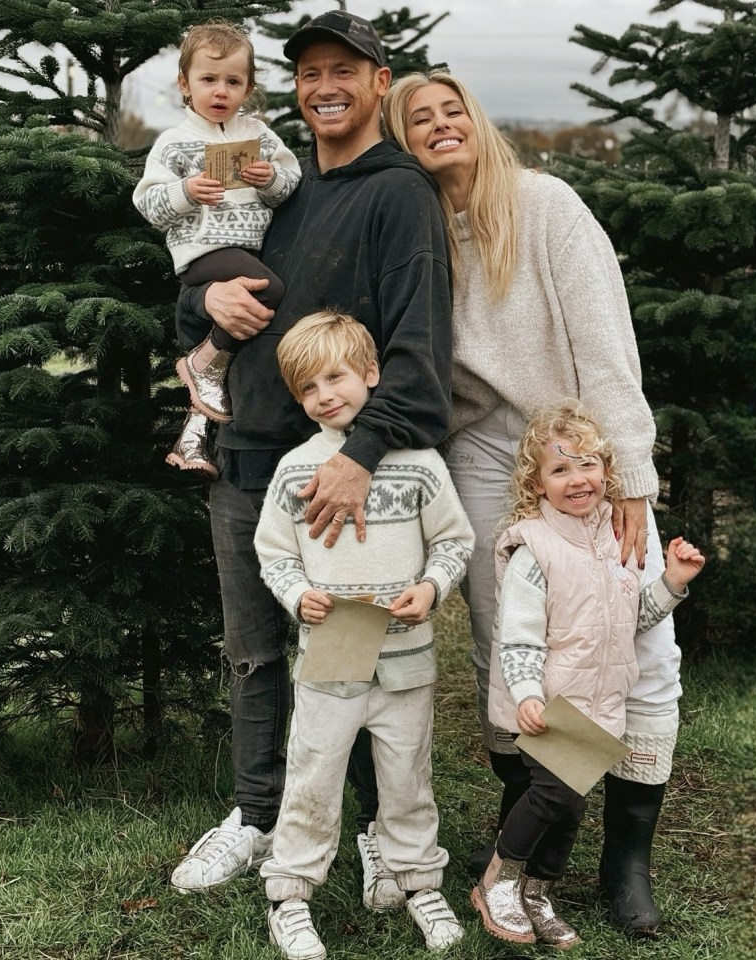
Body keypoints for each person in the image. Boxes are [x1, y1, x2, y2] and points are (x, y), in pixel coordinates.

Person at [167, 10, 454, 925]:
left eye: (343, 70)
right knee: (256, 653)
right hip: (247, 455)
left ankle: (375, 829)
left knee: (353, 654)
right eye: (306, 73)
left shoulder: (398, 193)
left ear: (380, 82)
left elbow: (418, 347)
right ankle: (256, 816)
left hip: (345, 475)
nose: (323, 86)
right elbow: (216, 291)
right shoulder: (284, 189)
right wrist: (201, 300)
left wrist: (361, 457)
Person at [383, 71, 685, 934]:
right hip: (481, 450)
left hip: (579, 445)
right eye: (419, 119)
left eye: (451, 111)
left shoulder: (544, 204)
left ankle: (627, 865)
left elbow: (604, 335)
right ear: (402, 140)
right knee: (505, 642)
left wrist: (628, 470)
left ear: (475, 122)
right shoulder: (417, 228)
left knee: (642, 634)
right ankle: (535, 840)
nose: (439, 126)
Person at [254, 311, 472, 959]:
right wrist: (297, 595)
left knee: (407, 774)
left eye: (335, 377)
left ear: (370, 375)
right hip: (332, 651)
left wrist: (431, 588)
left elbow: (454, 541)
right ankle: (289, 895)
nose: (324, 395)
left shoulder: (418, 462)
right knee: (313, 772)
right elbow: (274, 554)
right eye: (308, 388)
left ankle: (415, 881)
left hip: (405, 654)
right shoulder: (296, 469)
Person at [468, 405, 704, 947]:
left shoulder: (614, 538)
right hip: (548, 703)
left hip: (598, 705)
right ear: (536, 482)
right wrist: (527, 693)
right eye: (560, 469)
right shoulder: (534, 547)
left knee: (570, 808)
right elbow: (519, 635)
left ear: (606, 471)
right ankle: (498, 881)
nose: (578, 479)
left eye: (588, 465)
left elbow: (632, 620)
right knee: (551, 795)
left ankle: (537, 893)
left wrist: (670, 581)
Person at [133, 20, 301, 474]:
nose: (221, 91)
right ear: (185, 84)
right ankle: (202, 363)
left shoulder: (260, 136)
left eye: (233, 81)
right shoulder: (173, 143)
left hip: (248, 248)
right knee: (269, 290)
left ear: (248, 87)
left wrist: (270, 180)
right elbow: (148, 204)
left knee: (241, 353)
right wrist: (187, 191)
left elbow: (290, 183)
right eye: (209, 79)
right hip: (203, 253)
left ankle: (191, 443)